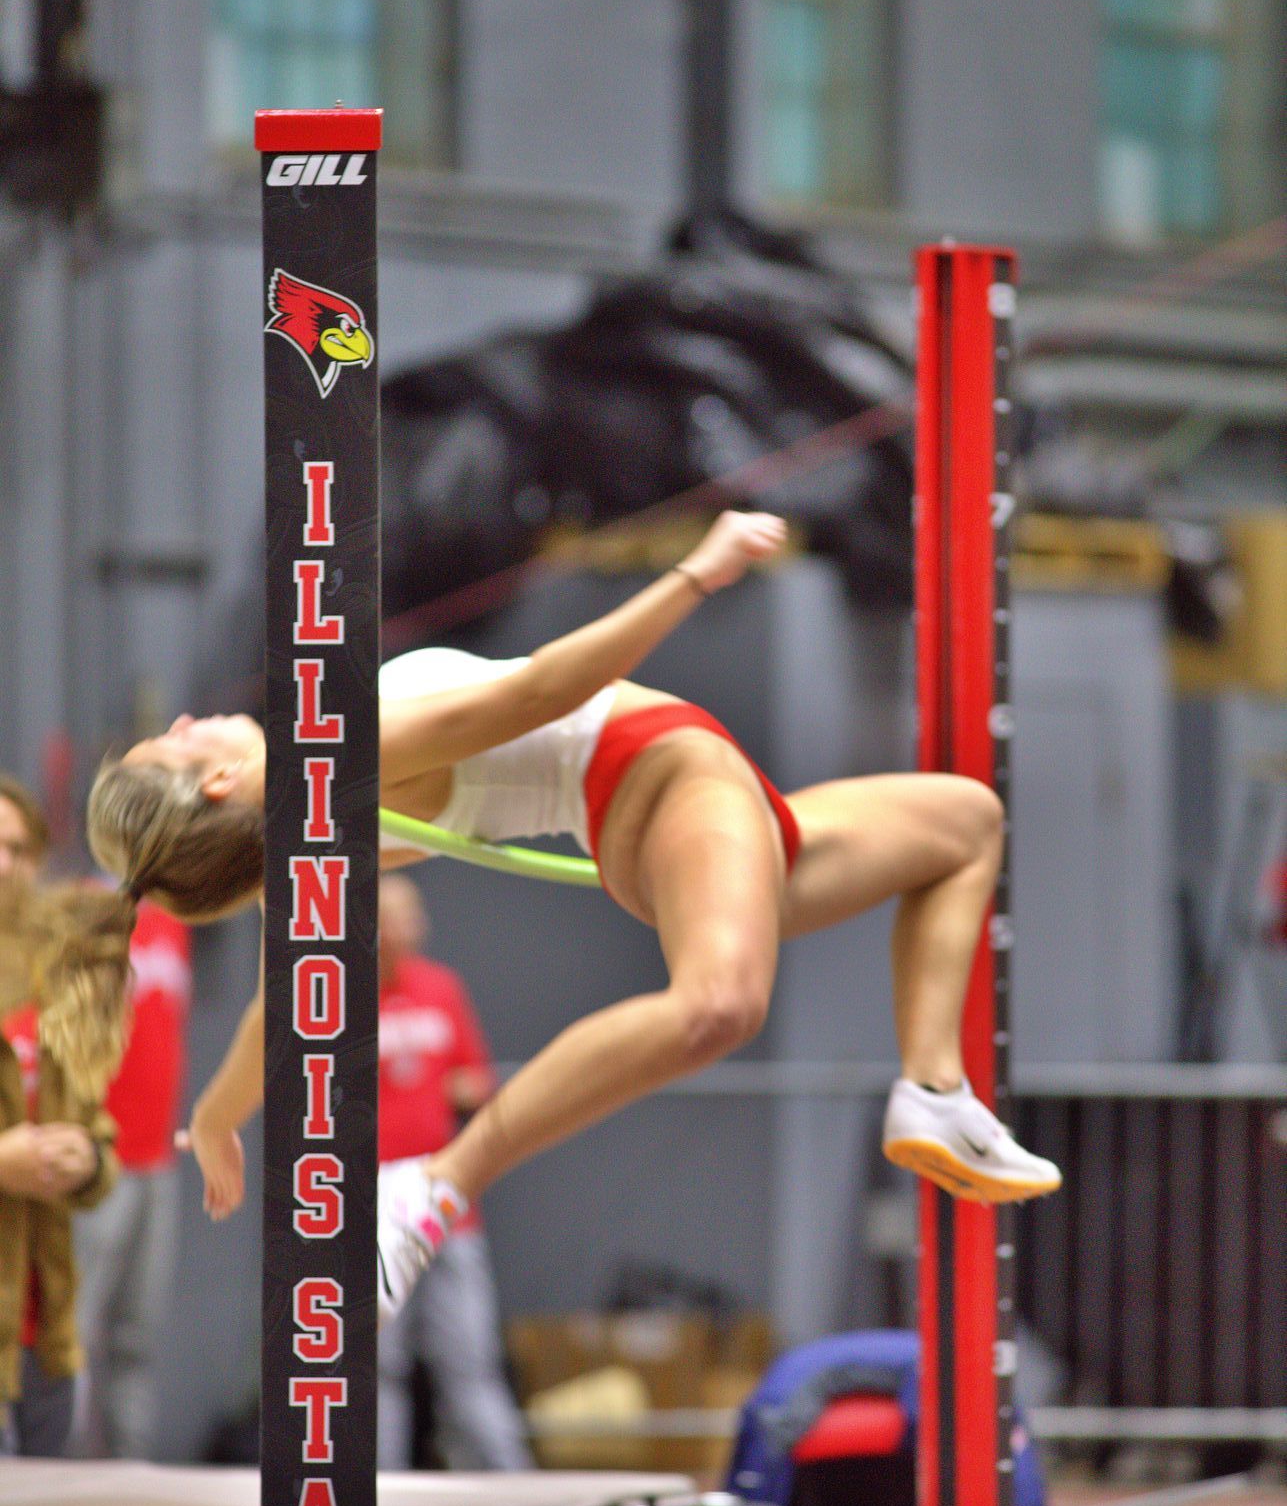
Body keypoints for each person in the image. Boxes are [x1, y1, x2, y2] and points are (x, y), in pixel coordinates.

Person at [84, 510, 1061, 1327]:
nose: (182, 721)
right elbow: (545, 687)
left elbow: (277, 1002)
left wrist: (214, 1120)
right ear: (213, 781)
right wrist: (695, 574)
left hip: (723, 820)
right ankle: (433, 1188)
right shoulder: (341, 757)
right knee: (721, 1004)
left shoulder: (340, 825)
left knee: (965, 823)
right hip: (667, 782)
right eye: (166, 744)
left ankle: (934, 1087)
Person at [374, 873, 531, 1470]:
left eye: (415, 916)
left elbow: (477, 1079)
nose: (414, 929)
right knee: (375, 1367)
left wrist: (463, 1088)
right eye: (399, 917)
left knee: (469, 1364)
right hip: (373, 1206)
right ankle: (372, 1498)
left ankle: (517, 1496)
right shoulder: (340, 993)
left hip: (445, 1201)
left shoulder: (441, 989)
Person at [0, 774, 119, 1457]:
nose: (4, 866)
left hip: (45, 1332)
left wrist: (87, 1159)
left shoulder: (56, 986)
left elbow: (100, 1138)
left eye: (18, 849)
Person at [71, 899, 192, 1459]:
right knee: (76, 1328)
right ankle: (53, 1464)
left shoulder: (174, 921)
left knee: (136, 1334)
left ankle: (130, 1466)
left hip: (157, 1159)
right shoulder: (88, 913)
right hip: (101, 1156)